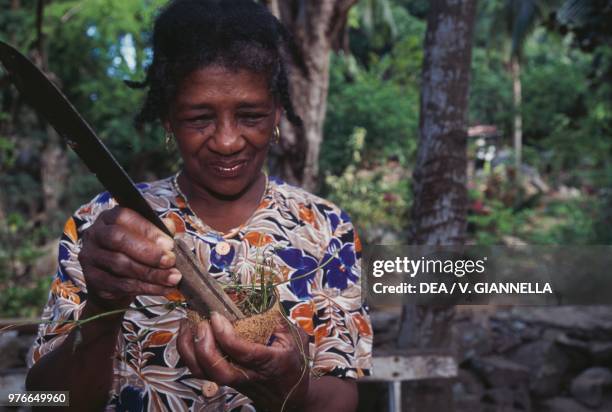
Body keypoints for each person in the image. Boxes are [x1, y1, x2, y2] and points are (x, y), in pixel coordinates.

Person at [26, 0, 373, 410]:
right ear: (169, 120)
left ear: (277, 113)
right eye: (198, 118)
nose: (227, 141)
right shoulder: (102, 227)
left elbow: (342, 397)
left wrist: (290, 390)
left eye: (250, 115)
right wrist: (102, 307)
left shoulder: (326, 229)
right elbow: (43, 398)